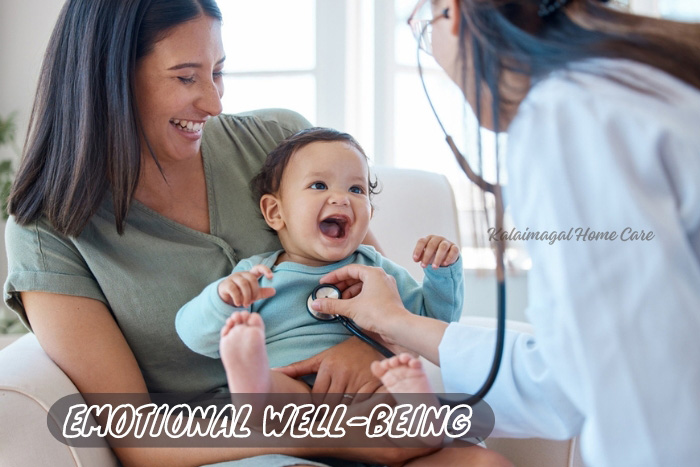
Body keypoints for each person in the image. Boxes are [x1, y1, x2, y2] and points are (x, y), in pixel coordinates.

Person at [3, 0, 511, 466]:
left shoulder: (279, 141)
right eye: (185, 78)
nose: (214, 102)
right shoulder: (48, 230)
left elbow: (373, 290)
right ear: (109, 79)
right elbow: (138, 439)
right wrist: (332, 430)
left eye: (218, 72)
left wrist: (364, 350)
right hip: (231, 449)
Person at [309, 0, 700, 466]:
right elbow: (575, 373)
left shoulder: (570, 118)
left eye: (424, 27)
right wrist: (395, 322)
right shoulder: (640, 79)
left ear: (452, 13)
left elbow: (635, 400)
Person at [175, 127, 463, 399]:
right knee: (277, 390)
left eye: (356, 189)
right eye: (319, 185)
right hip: (295, 390)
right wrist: (223, 299)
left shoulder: (376, 272)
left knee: (408, 407)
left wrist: (441, 272)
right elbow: (194, 336)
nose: (341, 198)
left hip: (370, 390)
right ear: (275, 212)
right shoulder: (258, 276)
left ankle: (413, 398)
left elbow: (430, 324)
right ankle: (251, 375)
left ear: (370, 214)